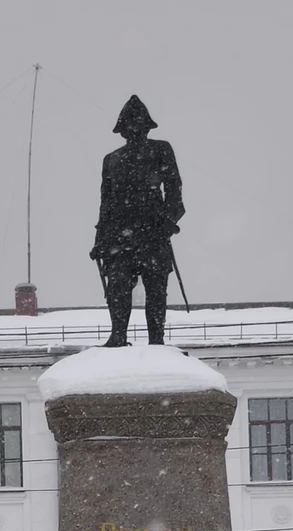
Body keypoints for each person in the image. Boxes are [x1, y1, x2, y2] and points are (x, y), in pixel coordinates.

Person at [90, 95, 184, 347]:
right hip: (118, 236)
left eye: (138, 125)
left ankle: (157, 340)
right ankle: (118, 335)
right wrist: (100, 240)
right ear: (122, 130)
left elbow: (174, 189)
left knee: (156, 289)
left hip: (152, 231)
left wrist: (168, 221)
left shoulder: (161, 149)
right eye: (129, 126)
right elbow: (106, 203)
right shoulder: (111, 159)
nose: (134, 131)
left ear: (146, 127)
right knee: (118, 287)